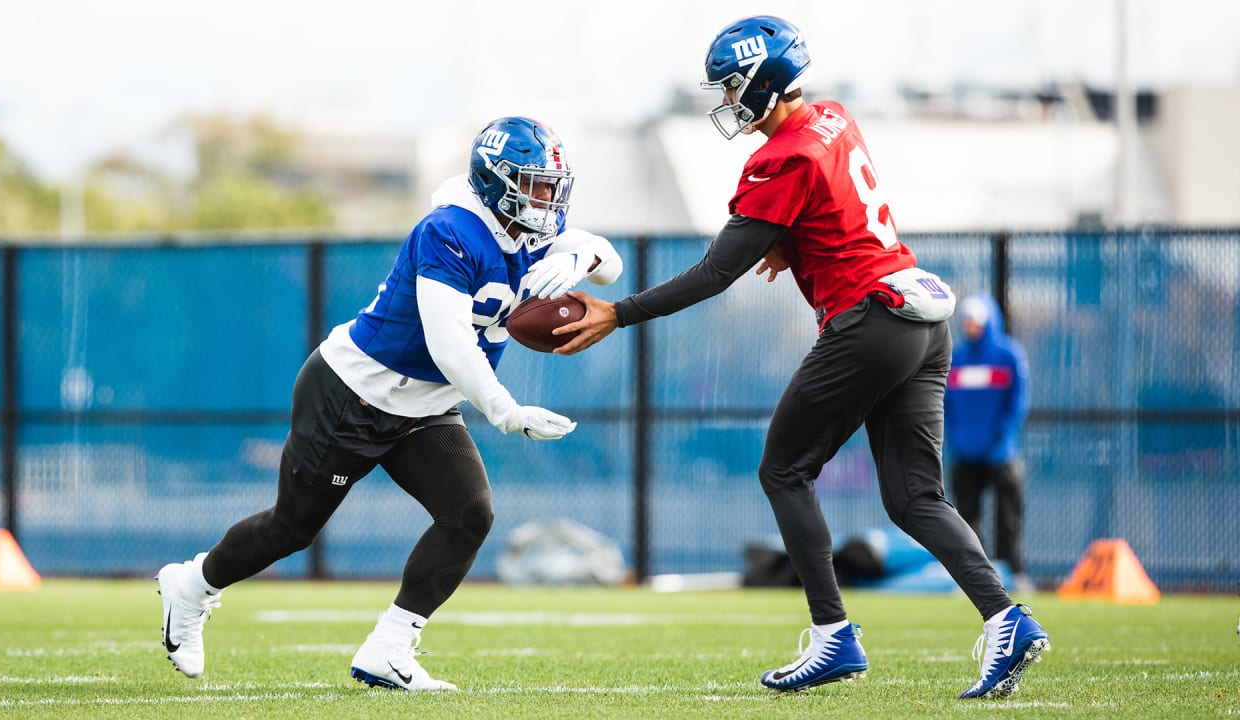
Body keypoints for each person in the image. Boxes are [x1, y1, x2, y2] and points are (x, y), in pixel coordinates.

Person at [556, 15, 1049, 699]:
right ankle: (1007, 619)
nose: (729, 102)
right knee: (916, 497)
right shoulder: (832, 118)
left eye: (734, 87)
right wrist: (792, 238)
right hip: (919, 317)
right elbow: (833, 204)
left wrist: (618, 312)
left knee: (784, 469)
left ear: (764, 81)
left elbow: (712, 274)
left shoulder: (779, 158)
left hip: (870, 320)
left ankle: (832, 636)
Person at [156, 116, 623, 691]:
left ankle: (389, 648)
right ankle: (193, 585)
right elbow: (448, 341)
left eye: (551, 185)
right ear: (495, 181)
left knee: (469, 514)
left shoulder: (536, 232)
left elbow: (610, 261)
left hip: (425, 408)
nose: (546, 199)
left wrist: (583, 259)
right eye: (533, 184)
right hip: (354, 394)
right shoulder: (450, 230)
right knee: (291, 529)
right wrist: (505, 410)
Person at [946, 291, 1032, 592]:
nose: (970, 326)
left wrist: (1002, 437)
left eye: (976, 321)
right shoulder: (955, 358)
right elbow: (946, 404)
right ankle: (973, 578)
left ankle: (1015, 574)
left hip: (1000, 453)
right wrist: (956, 437)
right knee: (966, 519)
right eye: (966, 321)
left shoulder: (1009, 355)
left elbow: (1017, 402)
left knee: (1009, 517)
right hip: (965, 453)